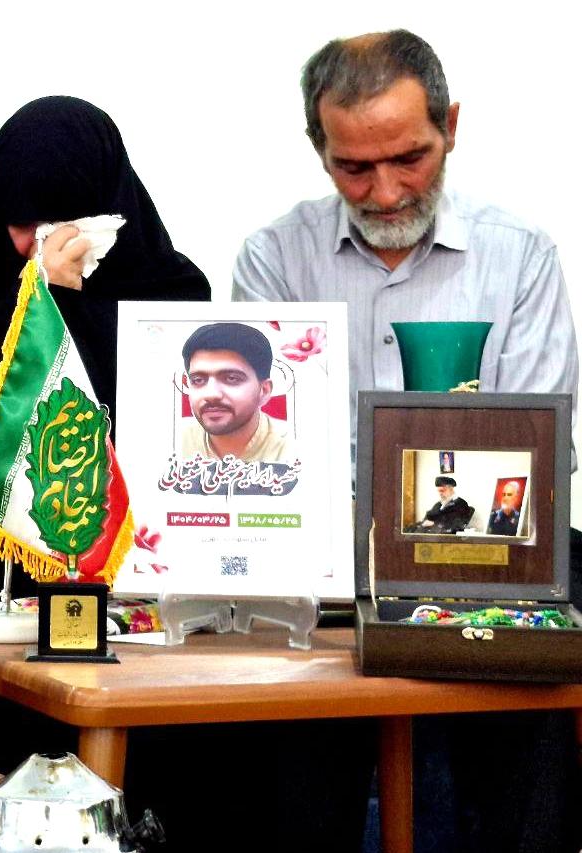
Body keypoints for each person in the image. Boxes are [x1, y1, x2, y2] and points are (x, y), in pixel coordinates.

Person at [233, 30, 579, 853]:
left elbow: (542, 454)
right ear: (319, 151)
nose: (386, 193)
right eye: (354, 168)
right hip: (324, 556)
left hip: (491, 554)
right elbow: (268, 454)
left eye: (410, 158)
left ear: (450, 127)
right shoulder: (276, 257)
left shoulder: (519, 256)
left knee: (552, 627)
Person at [0, 96, 210, 621]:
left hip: (133, 560)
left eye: (60, 220)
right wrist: (35, 308)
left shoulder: (172, 294)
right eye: (20, 220)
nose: (35, 242)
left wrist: (79, 314)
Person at [179, 322, 291, 463]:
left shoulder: (296, 450)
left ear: (264, 391)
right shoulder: (171, 442)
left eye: (231, 378)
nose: (211, 394)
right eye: (198, 380)